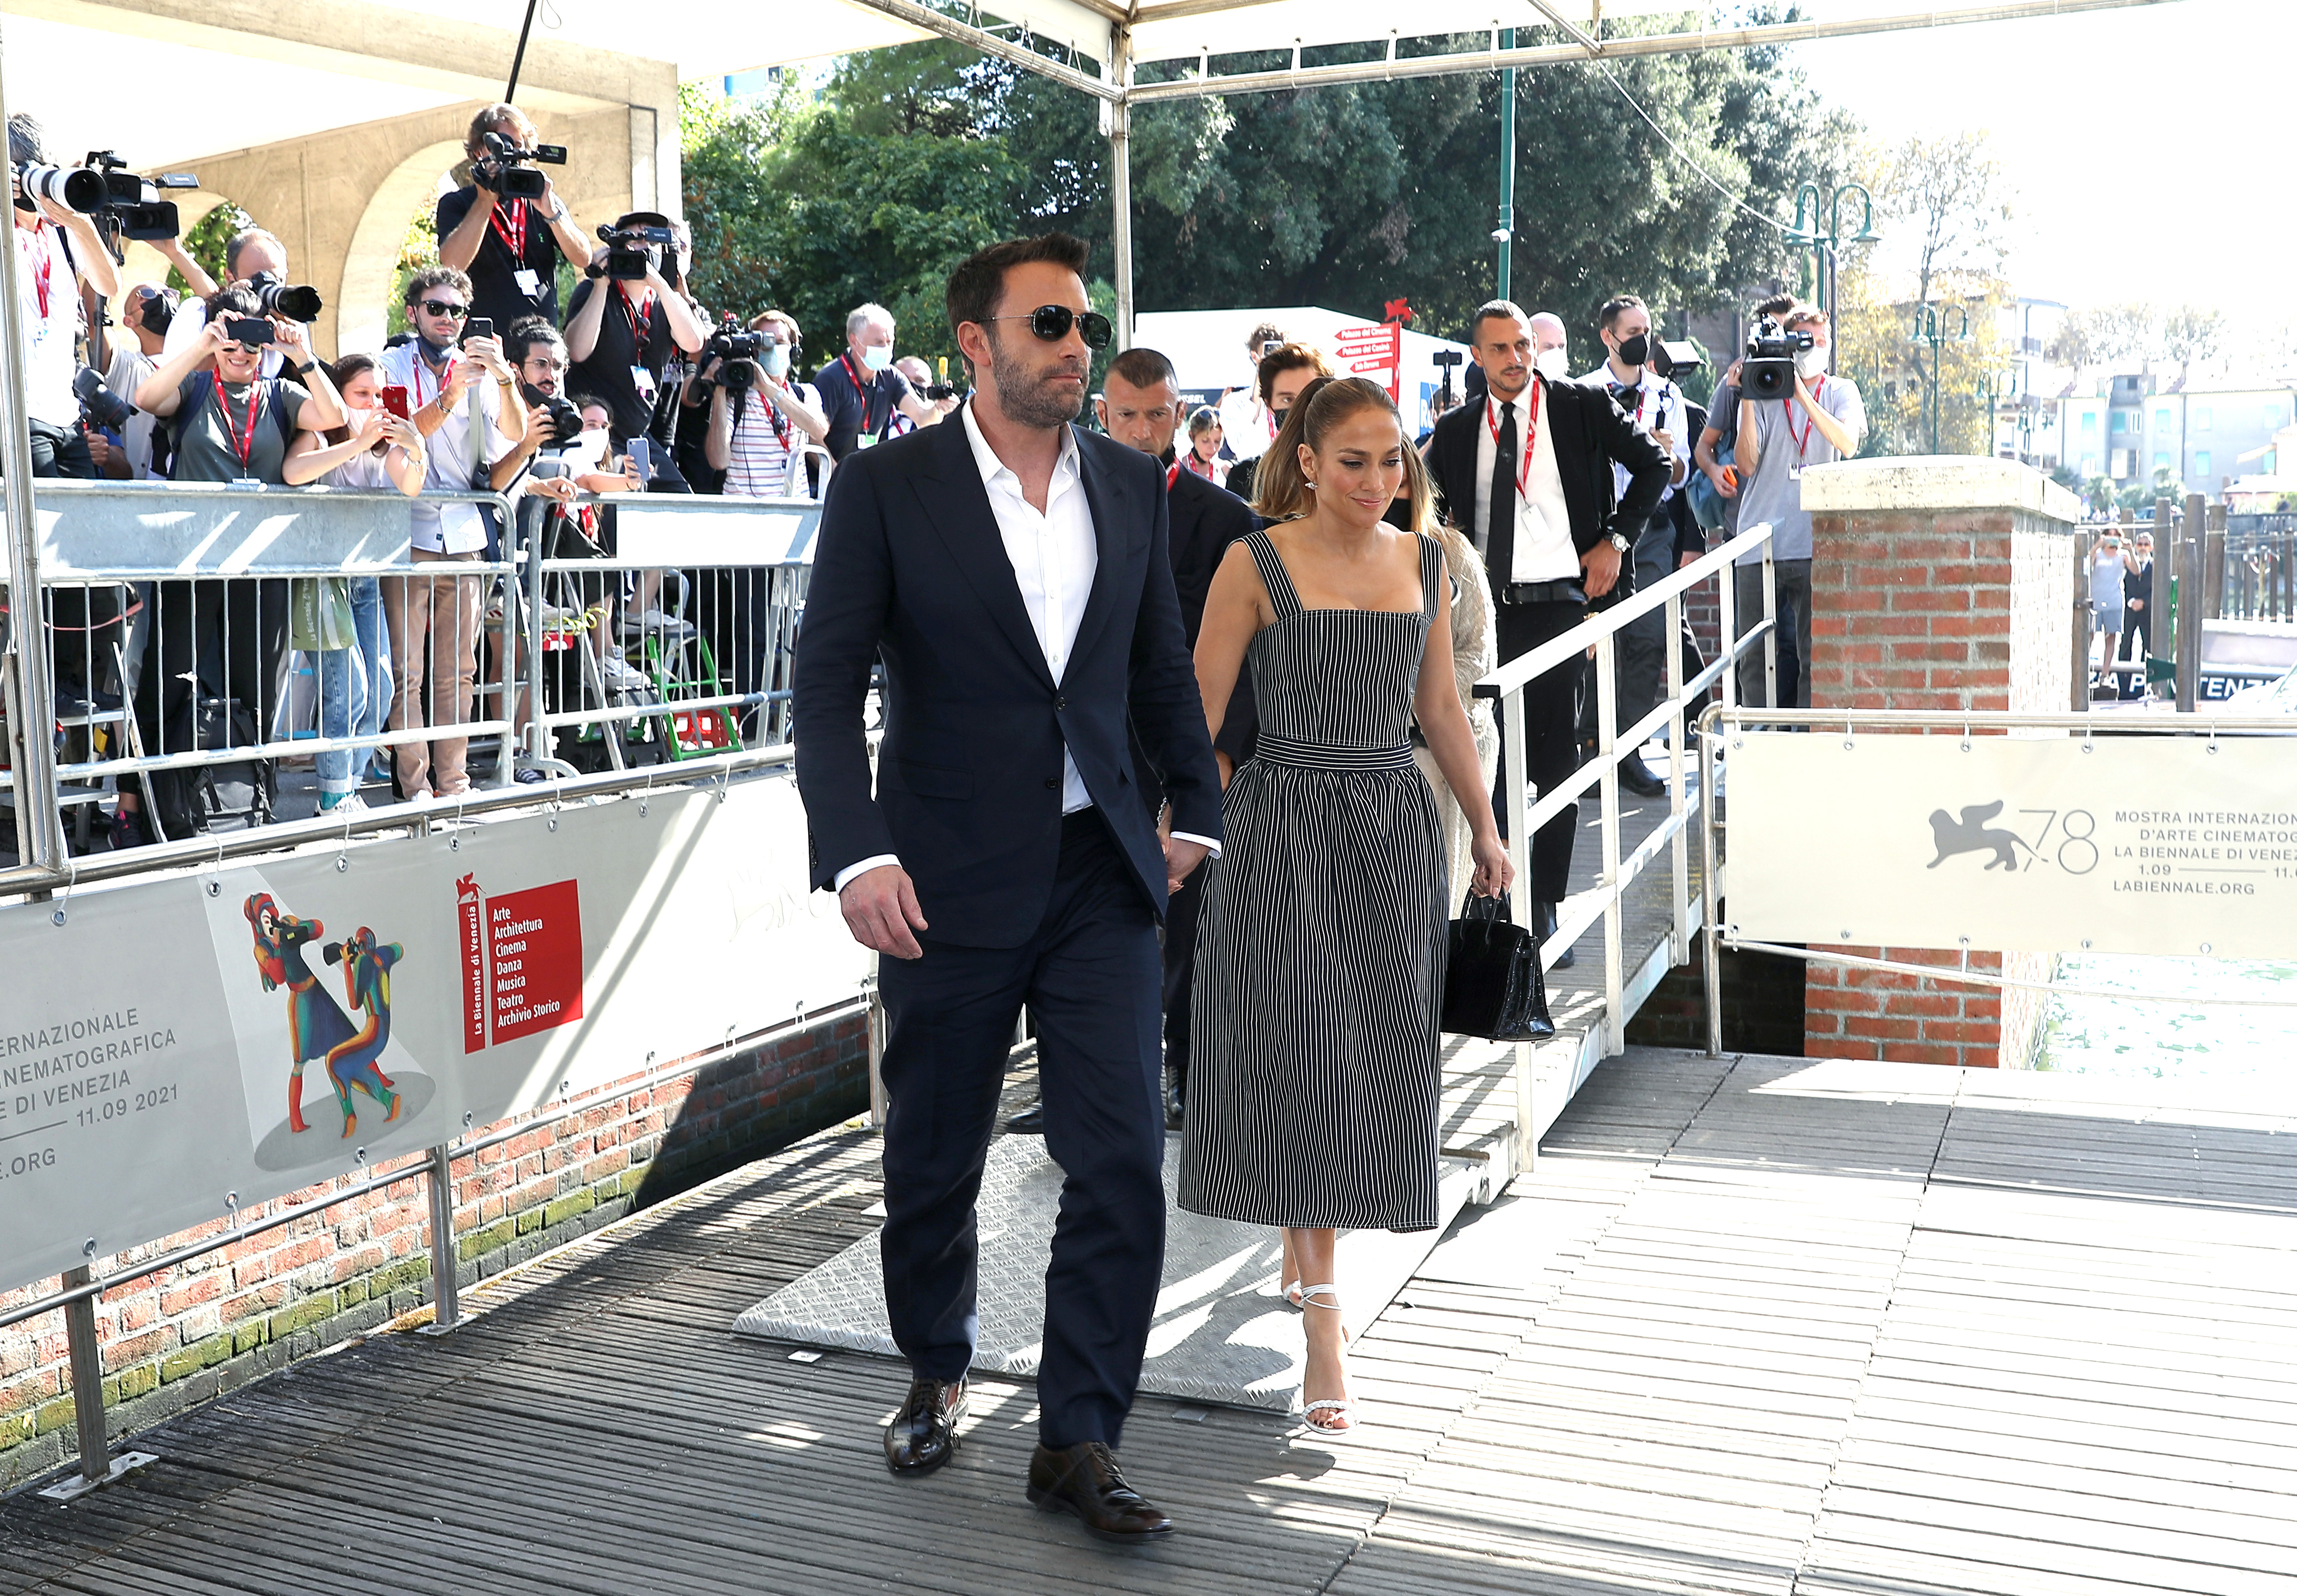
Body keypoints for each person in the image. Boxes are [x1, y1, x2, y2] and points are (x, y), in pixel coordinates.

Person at [792, 232, 1220, 1543]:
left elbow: (1155, 671)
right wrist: (856, 850)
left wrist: (1196, 804)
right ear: (976, 342)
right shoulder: (885, 486)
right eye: (1049, 324)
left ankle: (1079, 1429)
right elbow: (826, 681)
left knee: (1121, 1158)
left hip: (1101, 872)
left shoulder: (1132, 486)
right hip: (942, 873)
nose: (1075, 347)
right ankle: (935, 1359)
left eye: (1082, 324)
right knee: (934, 1149)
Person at [1181, 375, 1513, 1435]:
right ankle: (1324, 1317)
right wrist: (1183, 827)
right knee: (1296, 1046)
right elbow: (1198, 709)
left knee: (1368, 1054)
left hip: (1389, 827)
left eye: (1392, 460)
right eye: (1354, 460)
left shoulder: (1422, 562)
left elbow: (1440, 710)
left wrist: (1488, 830)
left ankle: (1302, 1249)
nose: (1377, 480)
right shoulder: (1253, 559)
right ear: (1307, 460)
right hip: (1278, 825)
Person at [1423, 301, 1668, 966]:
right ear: (1478, 356)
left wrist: (1616, 541)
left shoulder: (1581, 406)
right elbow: (1421, 502)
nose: (1514, 359)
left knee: (1557, 756)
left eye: (1523, 345)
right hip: (1484, 617)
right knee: (1486, 757)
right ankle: (1496, 903)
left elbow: (1655, 466)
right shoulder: (1453, 431)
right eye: (1499, 348)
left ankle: (1546, 904)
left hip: (1563, 607)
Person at [123, 288, 347, 846]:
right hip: (190, 563)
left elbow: (335, 415)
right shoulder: (197, 386)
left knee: (258, 688)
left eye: (252, 339)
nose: (241, 351)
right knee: (169, 682)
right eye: (231, 337)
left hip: (260, 563)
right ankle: (145, 804)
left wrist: (301, 355)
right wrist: (202, 342)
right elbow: (148, 397)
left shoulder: (281, 393)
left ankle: (253, 802)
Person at [1097, 347, 1257, 1128]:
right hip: (1093, 749)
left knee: (1193, 915)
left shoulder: (1227, 520)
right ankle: (1094, 1076)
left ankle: (1191, 1072)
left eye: (1157, 413)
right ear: (1101, 415)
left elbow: (1260, 647)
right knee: (1101, 916)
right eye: (1125, 414)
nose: (1141, 429)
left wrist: (1220, 753)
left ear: (1181, 416)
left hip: (1192, 746)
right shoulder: (1067, 505)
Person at [379, 266, 527, 801]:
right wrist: (446, 396)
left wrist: (505, 379)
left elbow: (514, 431)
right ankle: (413, 784)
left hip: (464, 533)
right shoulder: (391, 363)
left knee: (457, 671)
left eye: (456, 311)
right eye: (435, 308)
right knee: (405, 671)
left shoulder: (481, 371)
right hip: (406, 532)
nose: (447, 319)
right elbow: (396, 433)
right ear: (413, 312)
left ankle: (454, 782)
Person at [281, 354, 426, 812]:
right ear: (339, 395)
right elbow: (294, 471)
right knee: (350, 688)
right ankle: (334, 794)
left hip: (364, 577)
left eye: (381, 394)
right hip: (323, 579)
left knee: (381, 689)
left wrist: (414, 444)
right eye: (362, 394)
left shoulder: (383, 444)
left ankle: (346, 787)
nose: (374, 403)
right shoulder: (320, 431)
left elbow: (412, 487)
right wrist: (357, 441)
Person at [1579, 294, 1688, 799]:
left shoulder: (1667, 395)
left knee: (1646, 641)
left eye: (1647, 328)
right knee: (1597, 643)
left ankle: (1631, 750)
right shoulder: (1581, 393)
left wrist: (1663, 456)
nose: (1642, 338)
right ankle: (1591, 748)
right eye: (1632, 330)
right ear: (1608, 336)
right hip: (1599, 531)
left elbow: (1682, 474)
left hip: (1651, 529)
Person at [1732, 304, 1866, 709]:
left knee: (1817, 656)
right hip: (1762, 542)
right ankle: (1757, 741)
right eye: (1806, 340)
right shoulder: (1764, 390)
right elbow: (1746, 463)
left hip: (1815, 543)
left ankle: (1810, 746)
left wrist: (1802, 395)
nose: (1815, 348)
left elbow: (1847, 443)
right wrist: (1749, 396)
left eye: (1822, 341)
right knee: (1755, 656)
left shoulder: (1841, 391)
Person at [1695, 293, 1797, 694]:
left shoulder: (1808, 386)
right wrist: (1715, 469)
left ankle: (1792, 732)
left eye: (1785, 333)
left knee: (1792, 640)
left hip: (1796, 533)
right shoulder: (1734, 383)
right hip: (1745, 532)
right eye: (1767, 332)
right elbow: (1704, 446)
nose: (1776, 341)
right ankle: (1755, 732)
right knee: (1751, 640)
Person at [10, 113, 120, 480]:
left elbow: (109, 286)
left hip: (66, 416)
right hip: (15, 414)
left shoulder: (62, 233)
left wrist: (79, 221)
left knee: (80, 529)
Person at [435, 103, 594, 332]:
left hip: (540, 346)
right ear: (480, 151)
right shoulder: (458, 203)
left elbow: (584, 259)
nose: (509, 154)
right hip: (487, 343)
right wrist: (486, 200)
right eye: (500, 145)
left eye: (517, 145)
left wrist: (551, 215)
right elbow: (452, 265)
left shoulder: (541, 198)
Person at [563, 211, 707, 448]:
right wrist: (601, 284)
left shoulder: (665, 301)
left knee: (676, 487)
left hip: (638, 435)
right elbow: (576, 352)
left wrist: (660, 283)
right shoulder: (593, 290)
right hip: (595, 432)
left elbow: (693, 343)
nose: (642, 248)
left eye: (651, 241)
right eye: (635, 239)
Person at [811, 303, 957, 458]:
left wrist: (938, 409)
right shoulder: (831, 379)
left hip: (865, 475)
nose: (886, 349)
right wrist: (836, 475)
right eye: (879, 343)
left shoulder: (891, 377)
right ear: (854, 341)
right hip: (828, 477)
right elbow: (813, 438)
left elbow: (922, 418)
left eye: (890, 342)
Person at [159, 225, 296, 380]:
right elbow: (171, 386)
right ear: (231, 278)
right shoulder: (197, 313)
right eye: (257, 280)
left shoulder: (290, 320)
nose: (268, 288)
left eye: (276, 281)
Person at [1226, 342, 1332, 508]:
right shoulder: (1245, 479)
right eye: (1288, 399)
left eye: (1310, 396)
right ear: (1269, 405)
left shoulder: (1353, 473)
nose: (1299, 409)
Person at [1215, 319, 1286, 464]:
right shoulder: (1233, 402)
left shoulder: (1293, 400)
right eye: (1268, 350)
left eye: (1279, 351)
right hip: (1252, 479)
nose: (1274, 357)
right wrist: (1257, 399)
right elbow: (1241, 447)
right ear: (1255, 356)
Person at [2088, 532, 2126, 692]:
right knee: (2089, 635)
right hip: (2095, 601)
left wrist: (2129, 550)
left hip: (2114, 601)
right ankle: (2084, 672)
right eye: (2108, 535)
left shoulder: (2123, 555)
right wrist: (2097, 545)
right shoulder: (2097, 554)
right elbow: (2085, 564)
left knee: (2111, 637)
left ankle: (2105, 674)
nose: (2112, 538)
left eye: (2115, 535)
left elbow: (2136, 570)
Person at [2120, 529, 2154, 697]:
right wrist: (2131, 601)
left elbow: (2159, 590)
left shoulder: (2156, 566)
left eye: (2146, 545)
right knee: (2126, 645)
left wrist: (2144, 603)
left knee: (2147, 646)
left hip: (2147, 612)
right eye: (2140, 544)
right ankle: (2123, 688)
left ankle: (2144, 687)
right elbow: (2121, 584)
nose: (2142, 548)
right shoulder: (2128, 563)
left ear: (2151, 547)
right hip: (2129, 609)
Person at [1177, 404, 1228, 486]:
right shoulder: (1179, 468)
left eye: (1218, 441)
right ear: (1192, 436)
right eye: (1205, 441)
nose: (1213, 448)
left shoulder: (1226, 469)